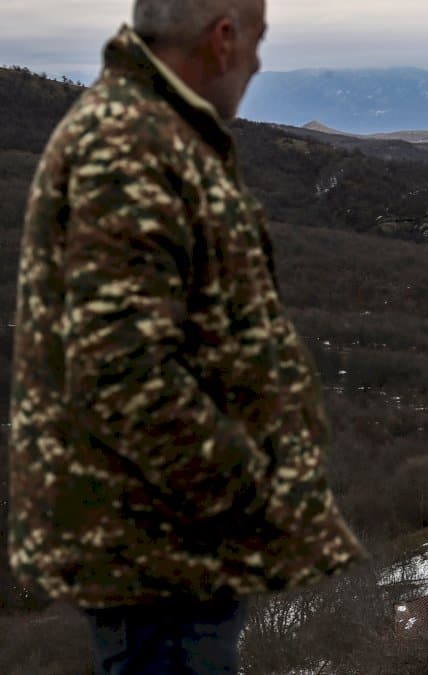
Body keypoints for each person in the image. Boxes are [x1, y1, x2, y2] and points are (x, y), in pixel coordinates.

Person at [8, 0, 362, 671]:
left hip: (174, 547)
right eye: (259, 41)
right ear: (223, 39)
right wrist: (247, 486)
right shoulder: (128, 147)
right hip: (160, 553)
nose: (259, 63)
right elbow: (121, 374)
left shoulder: (158, 133)